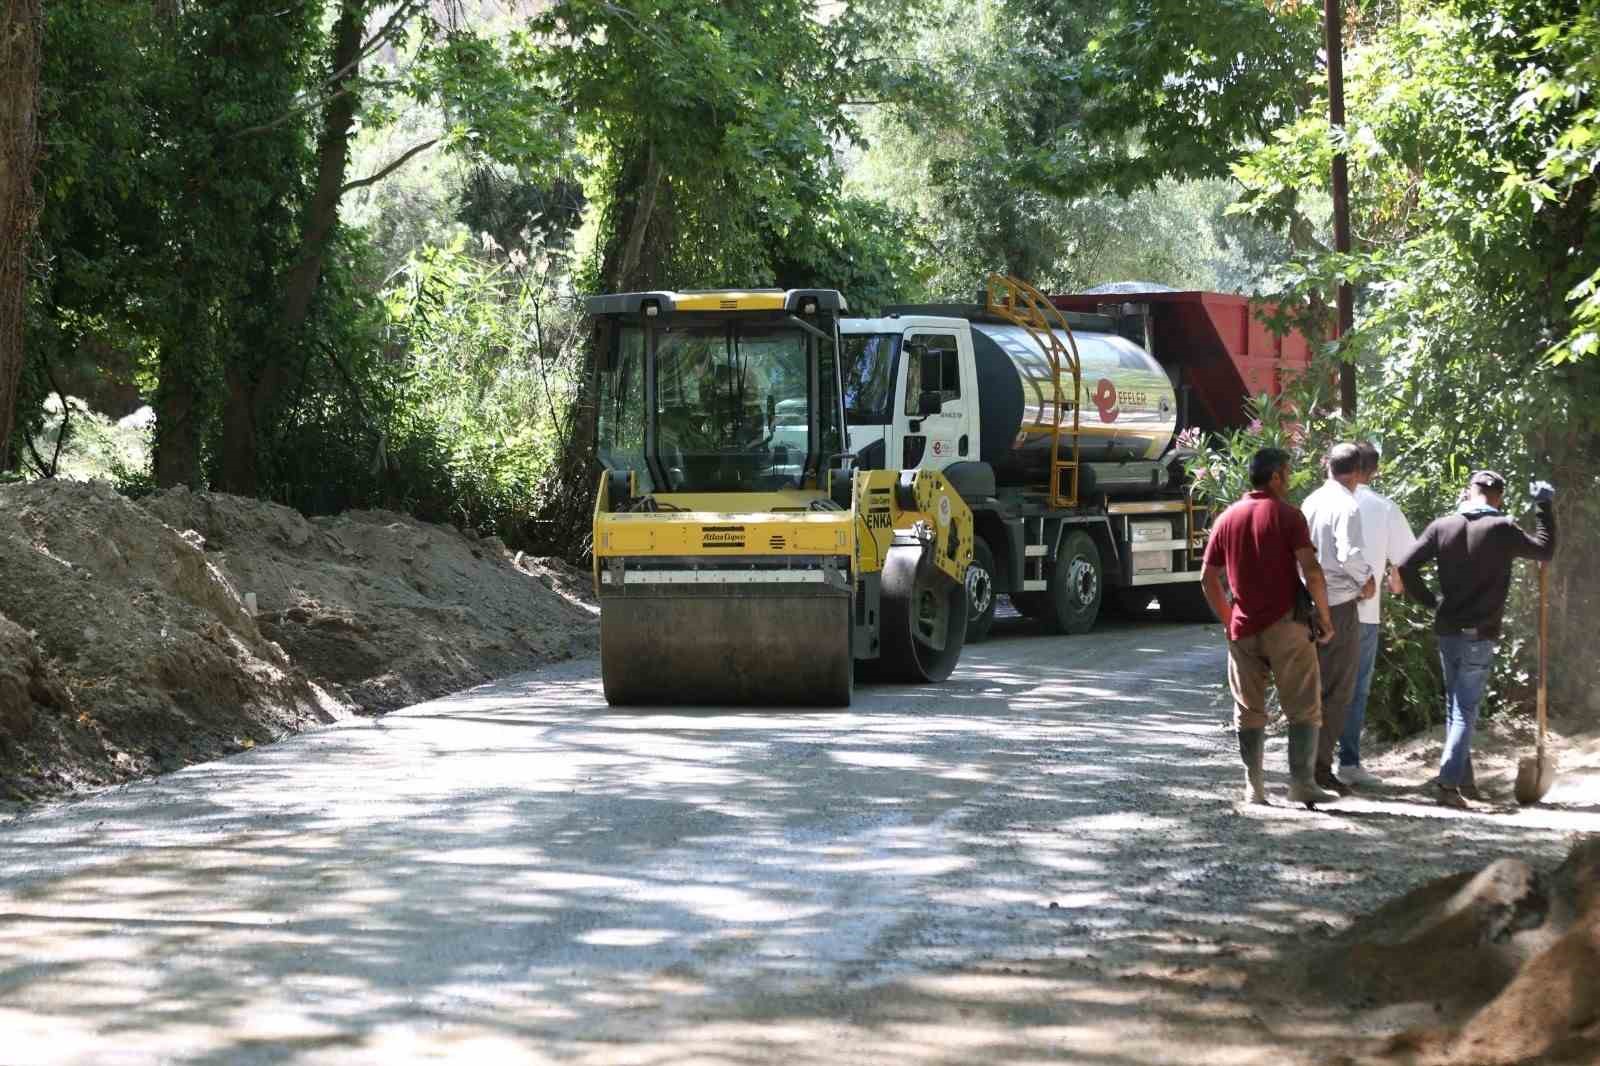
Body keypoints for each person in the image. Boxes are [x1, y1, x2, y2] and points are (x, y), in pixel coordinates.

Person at [1396, 471, 1556, 809]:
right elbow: (1545, 550)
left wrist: (1431, 601)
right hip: (1478, 633)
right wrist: (1543, 506)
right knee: (1464, 711)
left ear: (1470, 493)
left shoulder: (1443, 526)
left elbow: (1406, 566)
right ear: (1497, 497)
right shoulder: (1502, 529)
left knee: (1457, 707)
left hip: (1448, 631)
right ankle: (1449, 784)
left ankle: (1463, 783)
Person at [1201, 447, 1340, 807]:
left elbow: (1208, 578)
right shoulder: (1288, 516)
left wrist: (1229, 619)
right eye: (1288, 473)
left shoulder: (1227, 519)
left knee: (1248, 708)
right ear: (1276, 475)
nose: (1290, 480)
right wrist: (1325, 617)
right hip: (1287, 626)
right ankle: (1301, 784)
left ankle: (1255, 788)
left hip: (1243, 629)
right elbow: (1311, 570)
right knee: (1303, 706)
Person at [1336, 442, 1416, 786]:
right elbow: (1406, 564)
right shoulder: (1385, 508)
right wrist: (1394, 581)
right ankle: (1349, 763)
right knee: (1356, 689)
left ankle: (1314, 760)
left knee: (1324, 685)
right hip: (1365, 612)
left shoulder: (1317, 502)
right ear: (1375, 470)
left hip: (1322, 609)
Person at [1300, 443, 1377, 796]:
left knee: (1310, 687)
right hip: (1339, 605)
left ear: (1328, 467)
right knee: (1338, 690)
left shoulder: (1311, 502)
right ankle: (1319, 768)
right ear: (1361, 472)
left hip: (1307, 603)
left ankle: (1304, 763)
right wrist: (1367, 578)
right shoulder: (1348, 505)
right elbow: (1350, 555)